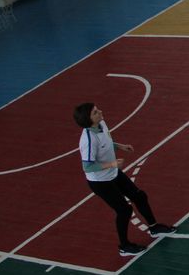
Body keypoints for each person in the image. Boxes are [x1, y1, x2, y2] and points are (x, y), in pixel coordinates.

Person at [74, 102, 175, 257]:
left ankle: (154, 227)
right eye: (95, 112)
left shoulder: (101, 123)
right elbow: (87, 167)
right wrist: (112, 164)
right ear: (89, 120)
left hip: (113, 173)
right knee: (124, 210)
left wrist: (120, 146)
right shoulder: (88, 140)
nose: (100, 111)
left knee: (139, 196)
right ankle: (124, 246)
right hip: (100, 182)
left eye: (97, 109)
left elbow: (106, 142)